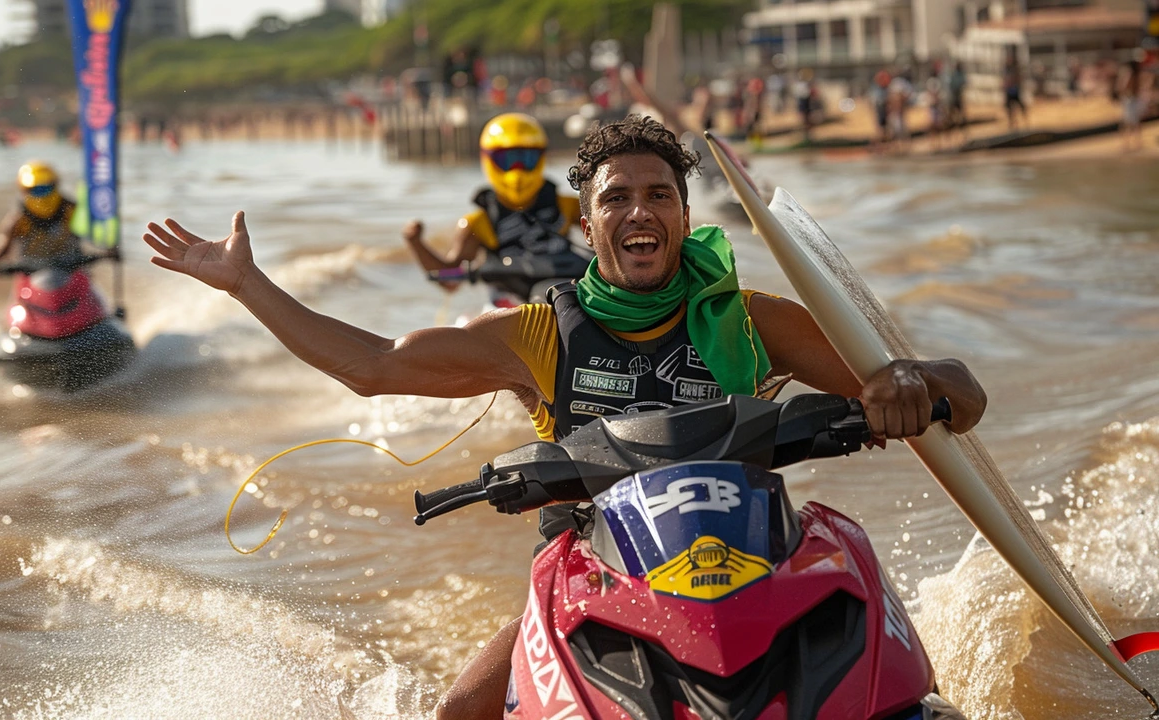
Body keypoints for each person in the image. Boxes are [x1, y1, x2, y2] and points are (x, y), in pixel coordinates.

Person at [141, 115, 988, 720]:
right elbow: (373, 366)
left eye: (660, 195)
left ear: (686, 218)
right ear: (588, 225)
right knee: (458, 710)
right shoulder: (538, 335)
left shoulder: (755, 319)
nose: (640, 213)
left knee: (891, 693)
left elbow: (953, 393)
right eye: (617, 199)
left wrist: (912, 382)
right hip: (598, 581)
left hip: (758, 564)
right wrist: (246, 285)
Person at [401, 112, 591, 307]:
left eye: (526, 159)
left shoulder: (568, 206)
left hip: (567, 296)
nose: (517, 170)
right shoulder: (478, 223)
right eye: (506, 160)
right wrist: (415, 242)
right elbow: (449, 281)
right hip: (507, 310)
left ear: (541, 157)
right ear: (488, 159)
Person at [0, 161, 93, 273]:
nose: (42, 194)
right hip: (32, 273)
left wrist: (106, 250)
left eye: (46, 188)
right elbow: (3, 241)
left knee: (88, 287)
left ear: (55, 185)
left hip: (72, 270)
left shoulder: (72, 209)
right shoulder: (18, 218)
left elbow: (93, 232)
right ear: (24, 190)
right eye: (36, 190)